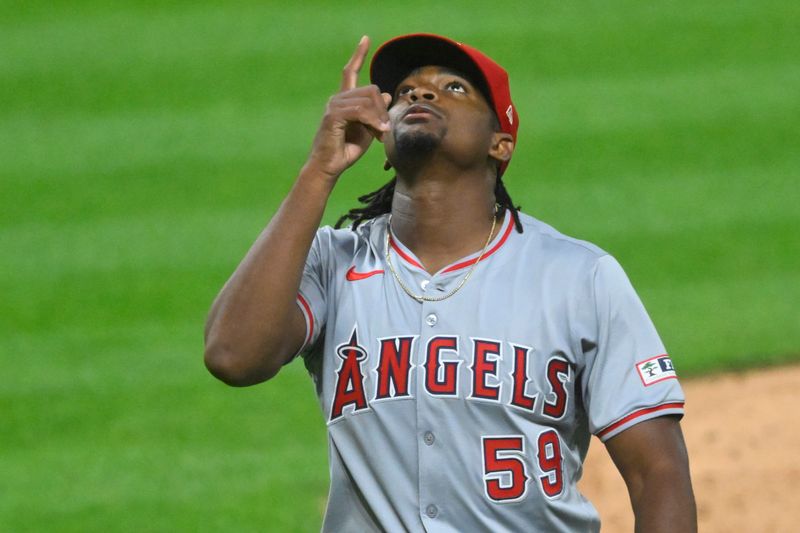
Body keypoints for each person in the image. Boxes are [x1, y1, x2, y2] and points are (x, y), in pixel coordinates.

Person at [204, 33, 697, 532]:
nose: (419, 94)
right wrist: (319, 170)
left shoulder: (577, 276)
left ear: (499, 142)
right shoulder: (333, 261)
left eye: (454, 88)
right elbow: (232, 356)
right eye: (405, 92)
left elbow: (657, 473)